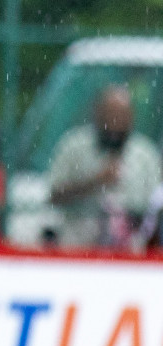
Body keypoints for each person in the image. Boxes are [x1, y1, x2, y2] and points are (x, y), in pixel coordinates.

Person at [47, 84, 162, 248]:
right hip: (77, 250)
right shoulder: (73, 147)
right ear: (97, 114)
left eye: (121, 117)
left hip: (131, 254)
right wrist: (94, 182)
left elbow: (155, 209)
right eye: (110, 116)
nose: (115, 124)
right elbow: (53, 196)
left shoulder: (145, 156)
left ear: (131, 118)